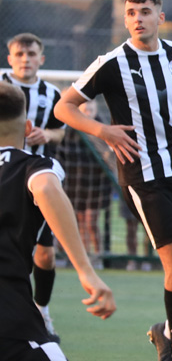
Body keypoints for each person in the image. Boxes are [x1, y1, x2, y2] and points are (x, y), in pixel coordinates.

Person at [54, 0, 172, 361]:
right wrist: (103, 130)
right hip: (144, 176)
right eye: (131, 12)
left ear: (160, 17)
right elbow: (63, 107)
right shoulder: (111, 63)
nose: (137, 18)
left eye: (145, 11)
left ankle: (166, 330)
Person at [0, 81, 169, 361]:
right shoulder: (30, 165)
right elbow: (44, 187)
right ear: (26, 127)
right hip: (10, 327)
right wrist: (86, 271)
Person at [4, 32, 66, 340]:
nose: (26, 60)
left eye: (31, 55)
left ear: (41, 59)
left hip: (38, 182)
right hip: (5, 177)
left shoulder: (51, 93)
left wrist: (46, 135)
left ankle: (41, 311)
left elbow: (60, 133)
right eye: (20, 54)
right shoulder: (2, 88)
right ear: (10, 59)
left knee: (44, 254)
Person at [57, 100, 114, 260]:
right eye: (85, 108)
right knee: (78, 221)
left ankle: (98, 256)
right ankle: (83, 257)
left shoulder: (103, 129)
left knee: (91, 221)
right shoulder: (70, 131)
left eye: (91, 108)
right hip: (75, 183)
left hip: (97, 183)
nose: (88, 111)